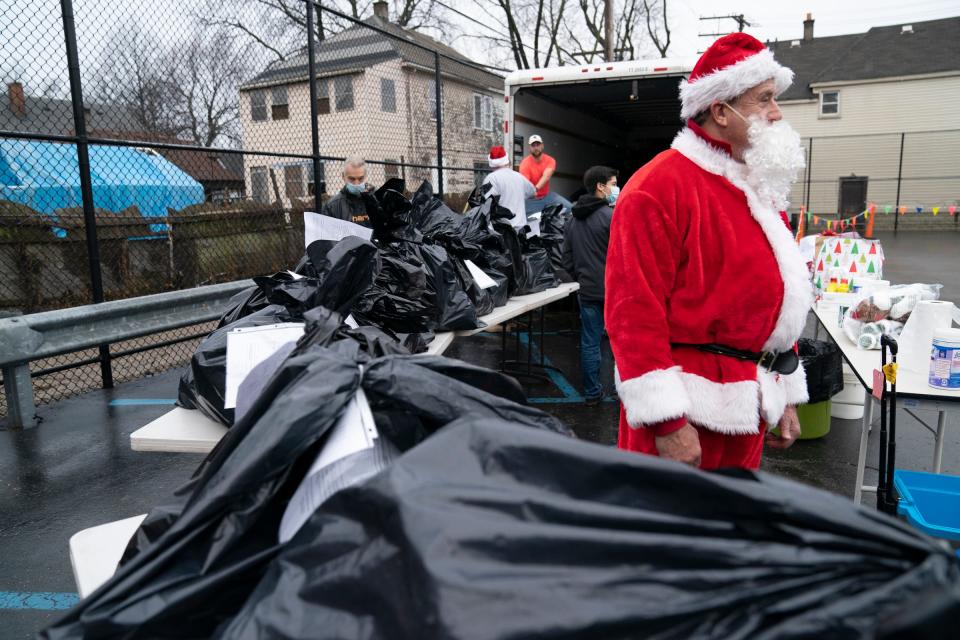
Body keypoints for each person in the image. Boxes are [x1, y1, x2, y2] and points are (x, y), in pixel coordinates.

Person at [605, 33, 812, 470]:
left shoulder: (758, 189)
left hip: (748, 408)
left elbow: (780, 298)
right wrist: (667, 423)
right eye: (765, 99)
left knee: (735, 533)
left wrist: (785, 393)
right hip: (685, 419)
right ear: (720, 110)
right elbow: (632, 314)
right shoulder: (658, 188)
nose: (777, 113)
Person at [563, 166, 618, 405]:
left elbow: (566, 258)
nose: (615, 188)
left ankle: (592, 393)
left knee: (590, 342)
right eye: (613, 183)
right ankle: (622, 391)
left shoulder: (573, 219)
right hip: (614, 290)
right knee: (620, 342)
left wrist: (581, 276)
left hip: (586, 290)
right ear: (600, 186)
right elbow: (624, 254)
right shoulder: (611, 217)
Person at [482, 145, 535, 229]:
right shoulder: (519, 177)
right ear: (506, 161)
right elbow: (533, 192)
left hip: (502, 231)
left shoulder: (491, 179)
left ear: (491, 164)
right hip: (521, 230)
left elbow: (487, 205)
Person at [519, 135, 572, 216]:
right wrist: (531, 192)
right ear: (529, 148)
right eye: (533, 145)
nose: (536, 147)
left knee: (570, 208)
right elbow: (525, 184)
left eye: (538, 144)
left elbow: (546, 176)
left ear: (542, 145)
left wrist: (535, 189)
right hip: (531, 200)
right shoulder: (524, 163)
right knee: (521, 218)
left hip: (547, 197)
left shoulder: (550, 160)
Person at [320, 157, 372, 227]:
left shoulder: (376, 201)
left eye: (360, 179)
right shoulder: (331, 206)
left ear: (365, 177)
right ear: (343, 177)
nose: (356, 183)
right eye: (352, 179)